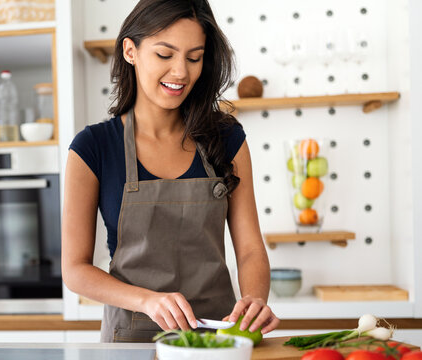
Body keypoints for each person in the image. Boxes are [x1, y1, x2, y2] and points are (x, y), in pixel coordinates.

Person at [62, 0, 279, 343]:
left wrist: (254, 299)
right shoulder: (93, 148)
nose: (181, 72)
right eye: (165, 55)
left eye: (194, 57)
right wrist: (147, 300)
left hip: (217, 339)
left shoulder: (226, 139)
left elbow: (251, 249)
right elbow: (75, 270)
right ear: (130, 51)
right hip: (130, 340)